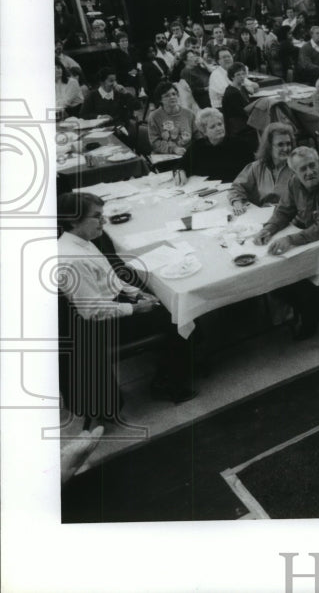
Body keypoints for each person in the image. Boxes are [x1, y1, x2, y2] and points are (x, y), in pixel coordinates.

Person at [56, 192, 196, 408]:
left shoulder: (82, 240)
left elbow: (110, 277)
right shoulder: (72, 259)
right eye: (97, 216)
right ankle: (166, 383)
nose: (103, 221)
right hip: (99, 327)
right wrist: (136, 309)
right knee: (176, 317)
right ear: (74, 220)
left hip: (111, 304)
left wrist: (136, 294)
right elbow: (92, 311)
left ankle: (185, 357)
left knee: (169, 304)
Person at [251, 147, 319, 344]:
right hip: (315, 243)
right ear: (294, 172)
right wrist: (268, 229)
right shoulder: (294, 183)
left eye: (312, 165)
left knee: (295, 279)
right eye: (303, 169)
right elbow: (284, 211)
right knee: (274, 278)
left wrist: (290, 240)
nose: (309, 172)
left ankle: (312, 317)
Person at [230, 121, 296, 213]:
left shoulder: (297, 167)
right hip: (262, 216)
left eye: (288, 144)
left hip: (289, 217)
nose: (286, 148)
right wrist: (237, 203)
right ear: (269, 146)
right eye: (280, 144)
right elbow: (237, 187)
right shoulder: (257, 167)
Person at [185, 107, 254, 182]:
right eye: (213, 127)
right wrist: (180, 171)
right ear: (204, 132)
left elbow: (251, 171)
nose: (218, 128)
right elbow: (183, 164)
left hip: (235, 187)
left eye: (220, 124)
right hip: (206, 190)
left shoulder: (240, 144)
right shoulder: (197, 146)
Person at [148, 81, 196, 156]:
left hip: (187, 154)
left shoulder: (189, 114)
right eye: (167, 96)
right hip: (165, 156)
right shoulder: (154, 116)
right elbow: (154, 142)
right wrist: (174, 149)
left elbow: (198, 136)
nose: (172, 97)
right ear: (160, 100)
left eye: (174, 94)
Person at [221, 61, 255, 138]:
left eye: (243, 74)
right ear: (232, 77)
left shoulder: (241, 87)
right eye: (238, 75)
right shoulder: (232, 93)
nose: (242, 77)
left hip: (243, 120)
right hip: (238, 127)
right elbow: (244, 112)